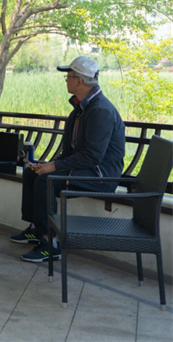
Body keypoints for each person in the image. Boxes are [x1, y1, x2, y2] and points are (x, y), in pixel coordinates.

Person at [11, 56, 125, 263]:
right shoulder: (80, 109)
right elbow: (69, 152)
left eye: (68, 77)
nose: (66, 81)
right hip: (85, 169)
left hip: (100, 175)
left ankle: (50, 243)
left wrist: (54, 167)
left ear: (79, 81)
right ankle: (37, 229)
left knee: (47, 181)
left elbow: (93, 156)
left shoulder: (100, 110)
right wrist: (46, 165)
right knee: (32, 173)